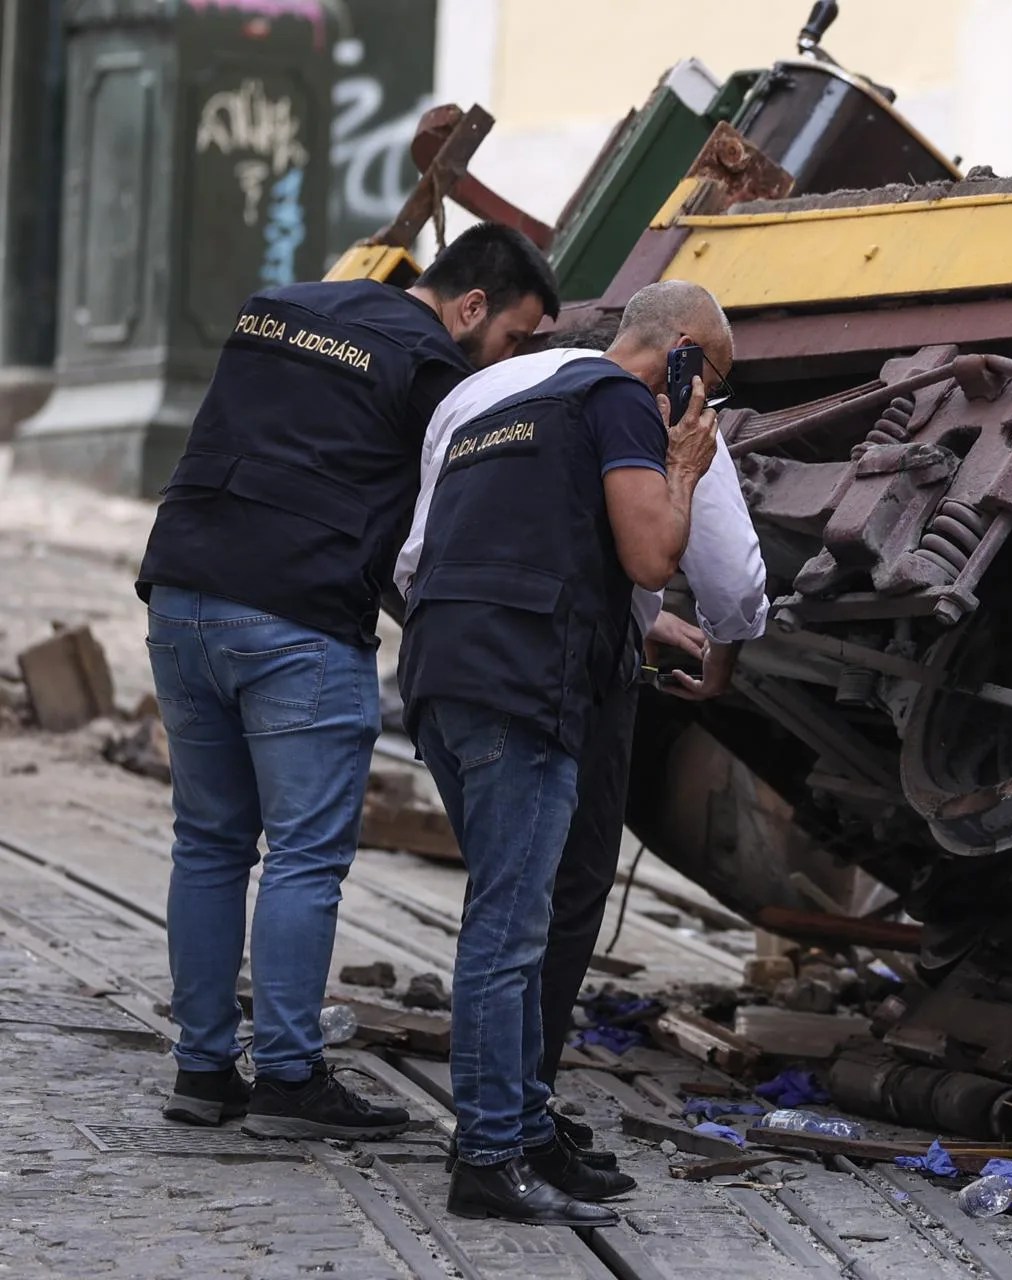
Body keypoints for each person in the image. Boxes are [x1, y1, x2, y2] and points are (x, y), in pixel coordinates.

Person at [137, 224, 559, 1139]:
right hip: (296, 618)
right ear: (471, 306)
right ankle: (288, 1078)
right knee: (302, 856)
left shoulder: (276, 308)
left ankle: (203, 1070)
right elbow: (441, 530)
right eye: (517, 339)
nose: (508, 360)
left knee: (208, 843)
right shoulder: (434, 372)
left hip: (180, 594)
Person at [391, 293, 765, 1181]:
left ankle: (523, 1127)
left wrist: (633, 624)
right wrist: (683, 461)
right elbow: (663, 560)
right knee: (516, 927)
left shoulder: (490, 399)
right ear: (680, 357)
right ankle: (488, 1156)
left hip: (442, 669)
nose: (706, 401)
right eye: (710, 379)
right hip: (527, 683)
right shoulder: (628, 404)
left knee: (510, 908)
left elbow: (417, 560)